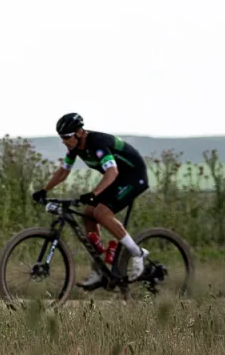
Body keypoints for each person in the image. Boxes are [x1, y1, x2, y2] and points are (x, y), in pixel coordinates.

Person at [33, 112, 150, 285]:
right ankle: (99, 269)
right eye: (62, 137)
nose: (64, 141)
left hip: (133, 176)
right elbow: (63, 172)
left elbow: (112, 172)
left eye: (67, 137)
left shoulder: (97, 143)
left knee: (102, 213)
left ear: (79, 133)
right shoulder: (74, 148)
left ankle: (137, 253)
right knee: (88, 214)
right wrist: (44, 190)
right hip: (117, 178)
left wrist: (94, 193)